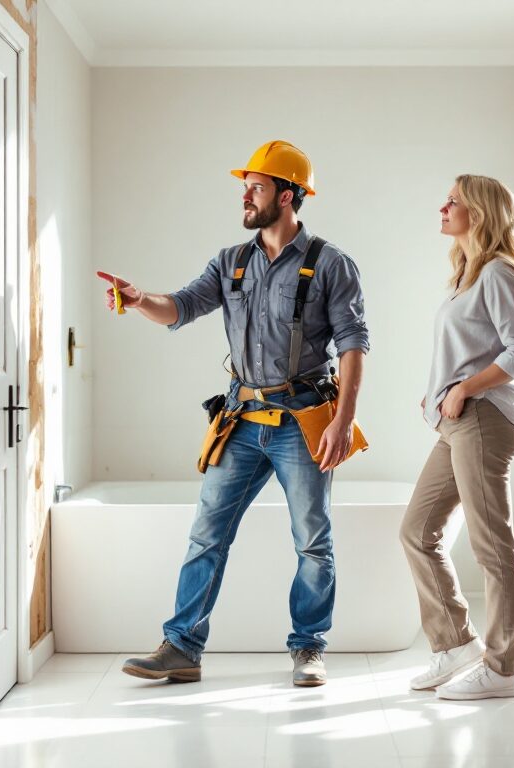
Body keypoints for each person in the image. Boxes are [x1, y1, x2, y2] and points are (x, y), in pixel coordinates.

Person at [97, 140, 369, 687]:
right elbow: (180, 306)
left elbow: (353, 344)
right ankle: (182, 647)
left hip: (303, 422)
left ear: (287, 195)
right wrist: (140, 298)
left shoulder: (331, 263)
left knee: (312, 539)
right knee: (207, 534)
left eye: (257, 187)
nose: (246, 196)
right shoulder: (231, 263)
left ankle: (309, 647)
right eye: (245, 187)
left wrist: (342, 421)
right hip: (241, 421)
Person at [399, 174, 514, 701]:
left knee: (491, 546)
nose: (443, 207)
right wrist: (439, 392)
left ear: (477, 213)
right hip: (457, 422)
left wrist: (462, 389)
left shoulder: (499, 271)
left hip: (483, 419)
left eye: (453, 201)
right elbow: (471, 349)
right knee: (417, 532)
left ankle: (502, 668)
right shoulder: (469, 273)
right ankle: (455, 643)